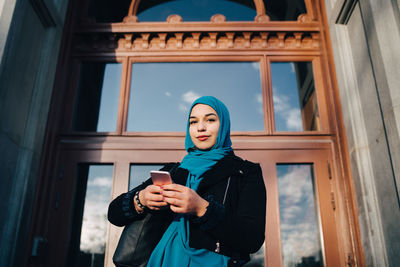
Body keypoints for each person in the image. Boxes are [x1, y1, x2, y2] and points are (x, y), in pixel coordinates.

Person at [108, 96, 266, 267]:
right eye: (193, 122)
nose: (200, 127)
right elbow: (114, 213)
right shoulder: (172, 171)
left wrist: (202, 209)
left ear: (224, 125)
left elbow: (252, 239)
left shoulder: (245, 172)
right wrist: (141, 200)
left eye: (210, 120)